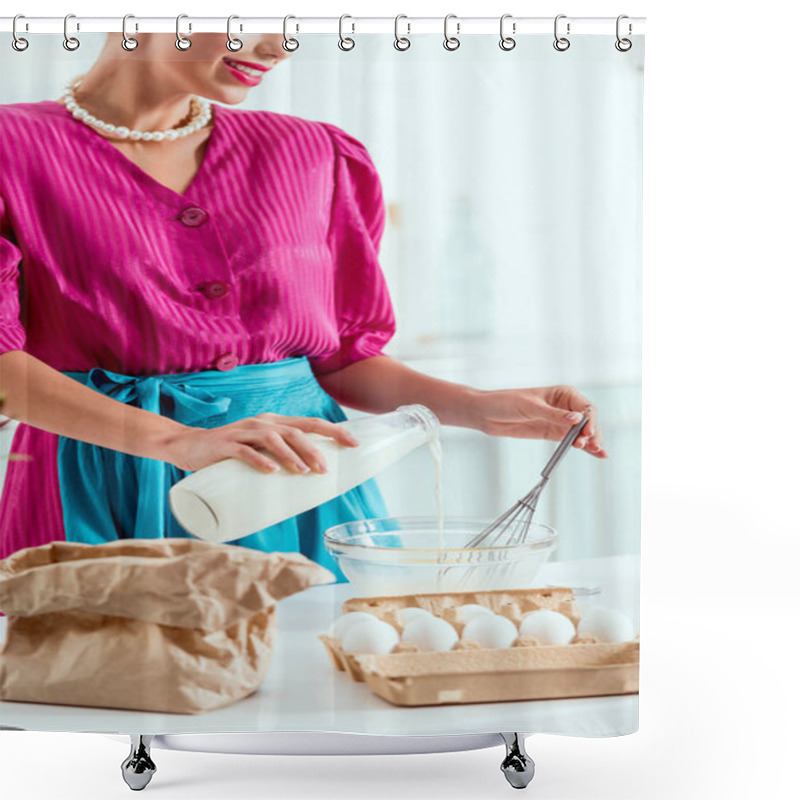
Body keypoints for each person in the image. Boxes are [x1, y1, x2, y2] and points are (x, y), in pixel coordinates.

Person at [0, 32, 607, 580]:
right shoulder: (11, 150)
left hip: (303, 489)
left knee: (334, 682)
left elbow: (339, 358)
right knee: (105, 685)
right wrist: (179, 443)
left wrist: (477, 408)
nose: (278, 47)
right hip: (101, 482)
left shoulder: (311, 154)